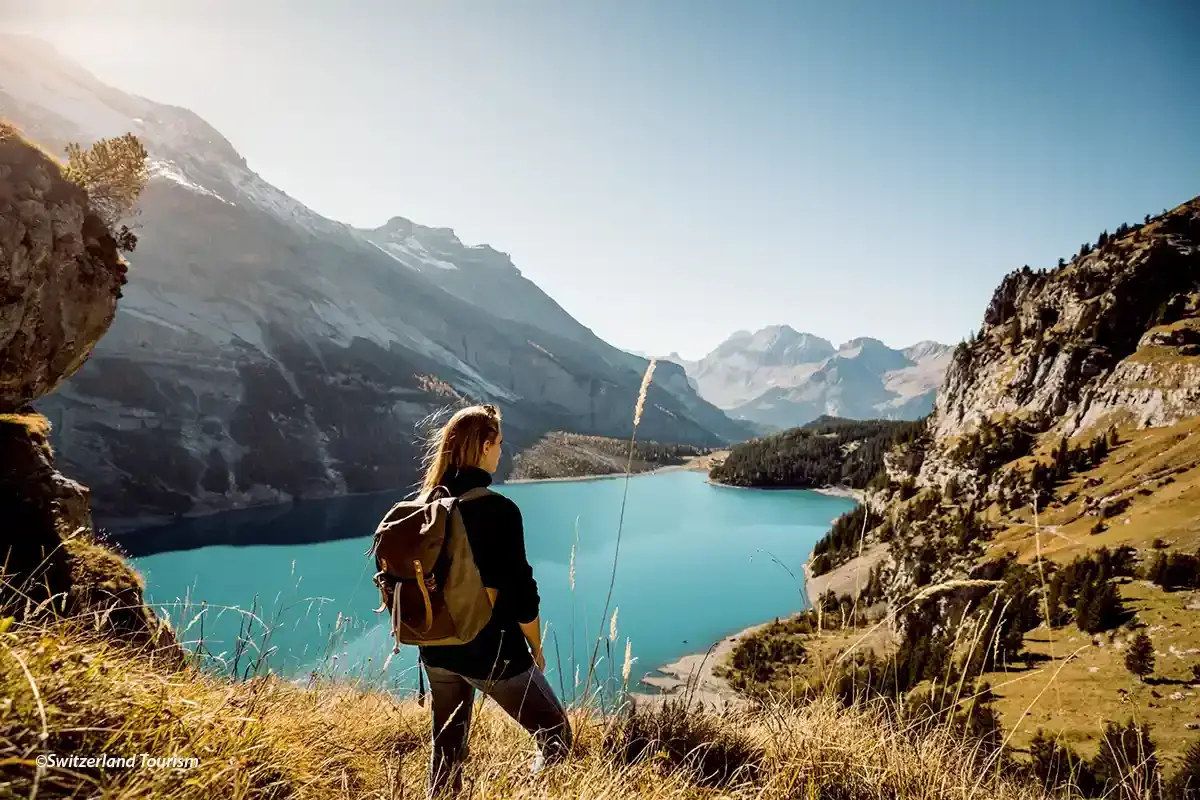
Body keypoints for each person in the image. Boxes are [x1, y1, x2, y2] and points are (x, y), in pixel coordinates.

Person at [415, 404, 572, 797]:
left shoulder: (424, 508)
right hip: (491, 652)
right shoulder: (498, 510)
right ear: (484, 447)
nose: (502, 452)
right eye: (499, 443)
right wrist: (535, 646)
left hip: (435, 651)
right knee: (556, 736)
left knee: (447, 751)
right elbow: (521, 592)